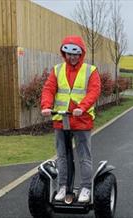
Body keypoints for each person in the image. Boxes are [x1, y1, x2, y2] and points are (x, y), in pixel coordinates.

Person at [41, 35, 101, 202]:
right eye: (68, 54)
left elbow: (93, 92)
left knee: (84, 156)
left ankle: (86, 188)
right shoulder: (57, 69)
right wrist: (46, 105)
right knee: (61, 155)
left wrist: (82, 108)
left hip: (82, 121)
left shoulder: (91, 70)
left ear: (81, 53)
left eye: (75, 54)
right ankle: (62, 187)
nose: (72, 57)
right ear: (64, 53)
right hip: (61, 120)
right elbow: (49, 88)